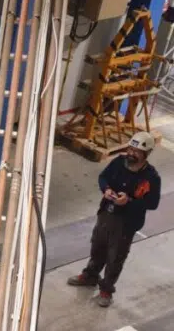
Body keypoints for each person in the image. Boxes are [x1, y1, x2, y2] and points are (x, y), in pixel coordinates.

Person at [67, 131, 162, 307]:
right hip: (106, 214)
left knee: (115, 257)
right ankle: (90, 275)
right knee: (98, 247)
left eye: (136, 152)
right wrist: (107, 190)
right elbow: (103, 177)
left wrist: (129, 201)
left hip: (126, 224)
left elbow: (153, 203)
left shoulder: (151, 177)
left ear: (146, 154)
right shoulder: (119, 162)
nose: (131, 153)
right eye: (130, 149)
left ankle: (106, 290)